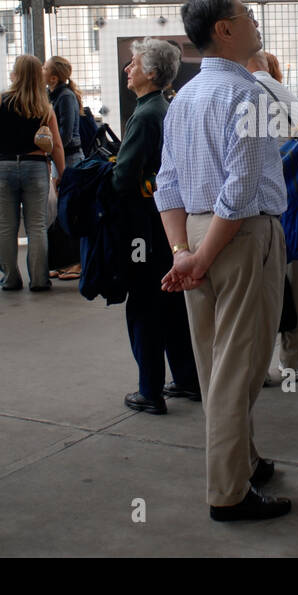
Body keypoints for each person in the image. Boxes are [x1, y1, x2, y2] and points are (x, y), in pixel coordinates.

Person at [154, 0, 291, 522]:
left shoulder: (183, 97)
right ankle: (227, 492)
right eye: (246, 14)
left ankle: (244, 459)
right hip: (238, 238)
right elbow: (239, 188)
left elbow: (167, 183)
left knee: (216, 363)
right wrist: (204, 256)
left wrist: (184, 251)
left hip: (194, 235)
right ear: (225, 30)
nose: (254, 21)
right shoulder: (249, 95)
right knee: (240, 367)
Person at [115, 39, 201, 414]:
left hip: (143, 228)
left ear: (150, 72)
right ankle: (187, 378)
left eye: (133, 64)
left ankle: (149, 390)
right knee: (170, 304)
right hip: (167, 225)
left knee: (144, 306)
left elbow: (123, 177)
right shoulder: (166, 108)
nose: (127, 70)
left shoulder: (146, 114)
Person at [245, 50, 298, 386]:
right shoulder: (288, 97)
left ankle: (257, 366)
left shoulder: (249, 91)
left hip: (260, 207)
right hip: (294, 205)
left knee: (260, 292)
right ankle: (291, 363)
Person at [0, 55, 65, 292]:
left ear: (15, 72)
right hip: (36, 166)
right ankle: (39, 279)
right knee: (36, 226)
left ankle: (10, 278)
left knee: (6, 226)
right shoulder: (44, 106)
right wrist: (62, 173)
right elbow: (56, 144)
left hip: (3, 167)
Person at [44, 56, 85, 281]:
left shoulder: (65, 97)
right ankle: (65, 262)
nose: (41, 70)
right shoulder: (55, 95)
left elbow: (66, 135)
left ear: (53, 76)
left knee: (71, 212)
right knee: (63, 212)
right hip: (62, 160)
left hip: (69, 161)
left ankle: (76, 263)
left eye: (45, 68)